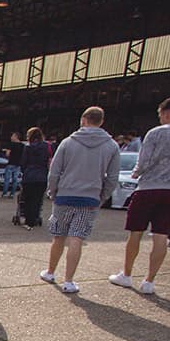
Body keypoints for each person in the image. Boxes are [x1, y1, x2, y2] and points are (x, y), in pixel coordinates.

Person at [108, 96, 170, 295]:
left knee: (135, 232)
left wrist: (136, 173)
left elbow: (144, 161)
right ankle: (149, 281)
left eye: (160, 115)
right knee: (161, 234)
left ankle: (126, 274)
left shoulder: (157, 133)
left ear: (166, 113)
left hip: (149, 187)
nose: (160, 118)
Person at [39, 106, 119, 294]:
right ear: (101, 121)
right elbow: (112, 177)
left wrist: (53, 191)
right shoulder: (111, 146)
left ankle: (50, 272)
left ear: (83, 120)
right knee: (77, 237)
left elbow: (54, 171)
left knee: (59, 235)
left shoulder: (68, 142)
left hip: (65, 195)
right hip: (90, 198)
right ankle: (69, 281)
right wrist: (102, 196)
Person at [19, 127, 51, 228]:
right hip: (41, 175)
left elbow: (23, 162)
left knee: (28, 199)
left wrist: (24, 171)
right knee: (38, 199)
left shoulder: (28, 147)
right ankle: (35, 217)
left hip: (29, 175)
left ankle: (28, 219)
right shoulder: (47, 146)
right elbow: (49, 160)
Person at [2, 131, 24, 198]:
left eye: (12, 136)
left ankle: (5, 193)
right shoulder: (22, 145)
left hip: (11, 163)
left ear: (16, 137)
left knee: (7, 179)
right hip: (18, 164)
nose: (11, 137)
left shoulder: (11, 144)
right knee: (15, 180)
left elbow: (7, 154)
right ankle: (12, 194)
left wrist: (6, 152)